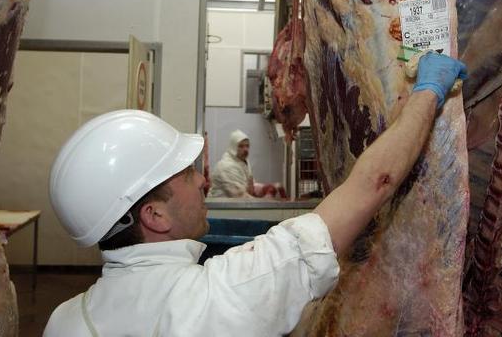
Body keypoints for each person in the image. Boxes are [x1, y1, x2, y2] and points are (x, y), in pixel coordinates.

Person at [43, 52, 467, 336]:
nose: (203, 182)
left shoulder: (63, 322)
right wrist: (428, 91)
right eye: (188, 175)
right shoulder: (220, 295)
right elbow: (373, 183)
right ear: (155, 216)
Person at [207, 129, 254, 198]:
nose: (245, 149)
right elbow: (239, 196)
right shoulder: (226, 166)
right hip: (221, 207)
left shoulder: (243, 162)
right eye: (241, 146)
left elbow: (250, 187)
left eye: (247, 146)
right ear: (233, 147)